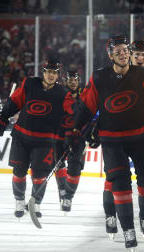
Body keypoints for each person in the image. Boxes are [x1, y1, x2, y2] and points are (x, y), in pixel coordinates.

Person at [68, 35, 144, 251]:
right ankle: (128, 229)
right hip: (113, 141)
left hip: (143, 138)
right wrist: (75, 130)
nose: (123, 53)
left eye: (125, 50)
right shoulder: (100, 77)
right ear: (110, 55)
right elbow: (87, 107)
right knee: (119, 184)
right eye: (118, 50)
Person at [0, 57, 73, 219]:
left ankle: (35, 203)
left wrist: (71, 135)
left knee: (40, 175)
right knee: (19, 172)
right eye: (49, 72)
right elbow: (14, 101)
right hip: (21, 136)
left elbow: (70, 117)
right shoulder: (29, 84)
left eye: (54, 73)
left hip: (45, 141)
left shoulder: (64, 94)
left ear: (58, 76)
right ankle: (19, 201)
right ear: (43, 72)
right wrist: (3, 118)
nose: (51, 75)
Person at [101, 40, 144, 240]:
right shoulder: (112, 77)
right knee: (113, 179)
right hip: (116, 137)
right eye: (136, 54)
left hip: (143, 137)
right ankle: (111, 216)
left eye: (143, 55)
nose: (139, 58)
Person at [54, 70, 86, 213]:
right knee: (58, 164)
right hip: (60, 135)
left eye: (75, 80)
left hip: (78, 137)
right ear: (66, 81)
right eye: (70, 80)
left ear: (78, 81)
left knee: (75, 168)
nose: (73, 82)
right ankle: (62, 189)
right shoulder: (60, 94)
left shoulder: (85, 95)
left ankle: (68, 196)